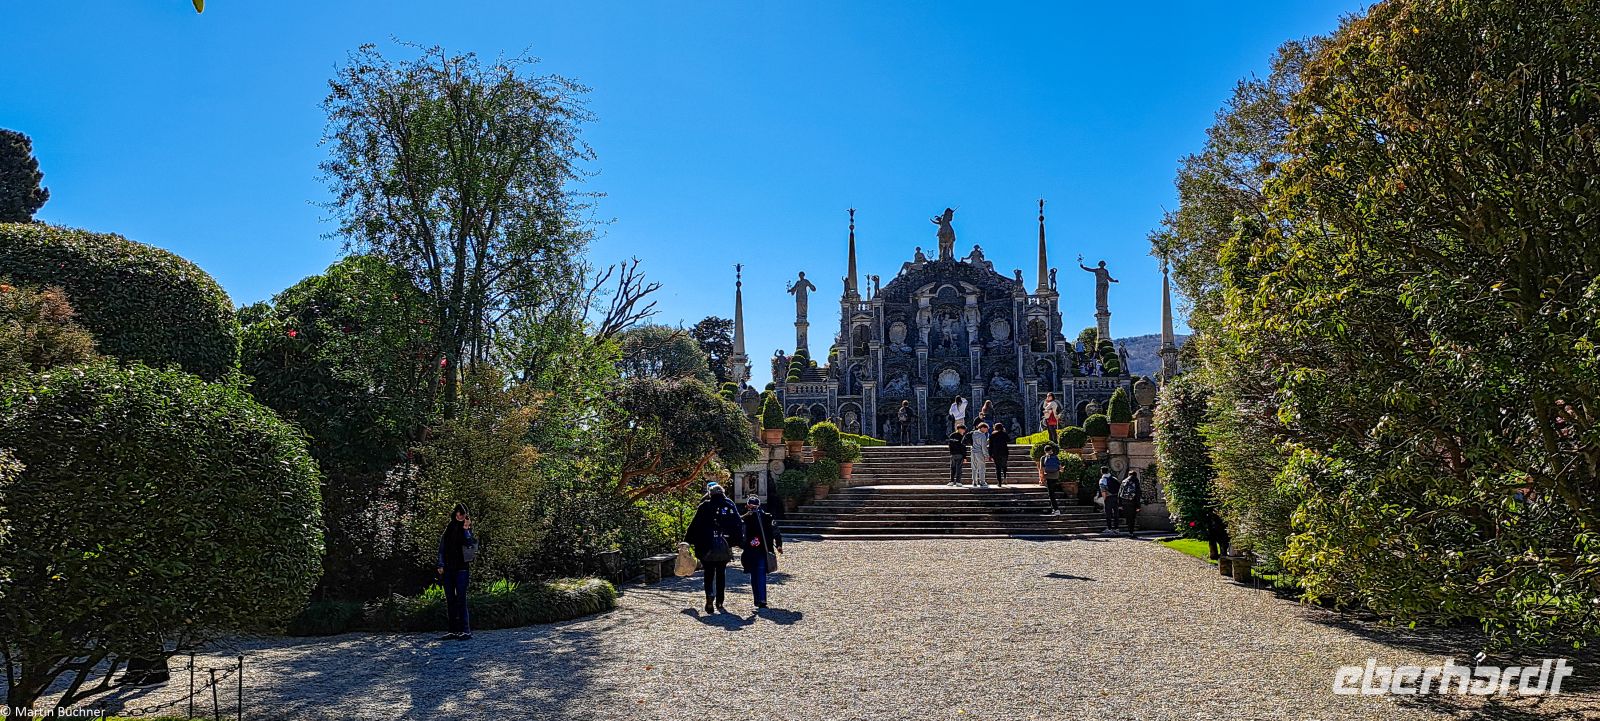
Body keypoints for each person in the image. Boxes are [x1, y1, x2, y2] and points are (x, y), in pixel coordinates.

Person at [685, 482, 746, 613]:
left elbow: (694, 524)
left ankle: (709, 595)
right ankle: (720, 601)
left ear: (710, 494)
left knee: (708, 574)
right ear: (722, 493)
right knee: (721, 574)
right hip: (724, 545)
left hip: (707, 545)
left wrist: (687, 541)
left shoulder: (704, 506)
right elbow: (738, 524)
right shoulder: (729, 505)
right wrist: (739, 542)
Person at [436, 502, 475, 640]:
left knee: (461, 599)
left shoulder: (467, 529)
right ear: (455, 513)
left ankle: (466, 630)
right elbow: (442, 547)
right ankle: (453, 630)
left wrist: (465, 529)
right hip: (448, 568)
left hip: (462, 569)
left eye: (462, 513)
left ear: (465, 515)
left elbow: (470, 545)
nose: (460, 515)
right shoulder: (449, 528)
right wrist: (440, 564)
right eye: (458, 512)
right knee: (450, 600)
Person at [740, 495, 783, 608]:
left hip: (752, 551)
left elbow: (740, 532)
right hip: (764, 549)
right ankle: (761, 599)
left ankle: (759, 599)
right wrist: (779, 545)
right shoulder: (767, 517)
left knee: (755, 575)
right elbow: (776, 532)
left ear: (748, 505)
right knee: (760, 575)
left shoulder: (746, 518)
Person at [1039, 444, 1063, 515]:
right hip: (1056, 476)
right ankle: (1054, 509)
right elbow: (1061, 468)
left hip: (1048, 477)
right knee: (1053, 493)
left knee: (1051, 494)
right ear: (1051, 450)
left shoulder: (1043, 458)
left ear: (1044, 451)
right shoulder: (1056, 457)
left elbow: (1041, 469)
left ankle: (1056, 509)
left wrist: (1042, 478)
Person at [1096, 467, 1120, 532]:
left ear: (1101, 471)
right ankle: (1116, 528)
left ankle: (1109, 528)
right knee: (1116, 513)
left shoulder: (1102, 480)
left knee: (1108, 513)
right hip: (1115, 497)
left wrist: (1104, 499)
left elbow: (1103, 490)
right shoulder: (1114, 478)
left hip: (1108, 497)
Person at [968, 422, 992, 488]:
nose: (987, 431)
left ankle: (974, 482)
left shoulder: (973, 433)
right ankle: (982, 482)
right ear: (982, 428)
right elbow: (984, 447)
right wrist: (986, 456)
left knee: (974, 468)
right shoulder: (982, 435)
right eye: (986, 429)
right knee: (982, 468)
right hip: (979, 453)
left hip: (973, 451)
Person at [1119, 470, 1143, 535]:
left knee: (1128, 517)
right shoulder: (1135, 481)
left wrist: (1120, 504)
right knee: (1132, 517)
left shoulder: (1124, 481)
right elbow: (1137, 494)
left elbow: (1119, 493)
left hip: (1124, 501)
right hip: (1132, 502)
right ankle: (1131, 532)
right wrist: (1138, 506)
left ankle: (1129, 530)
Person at [988, 422, 1011, 487]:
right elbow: (1009, 440)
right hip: (1004, 452)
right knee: (1004, 465)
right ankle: (1005, 476)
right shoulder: (1004, 434)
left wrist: (990, 455)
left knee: (997, 468)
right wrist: (1004, 432)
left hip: (996, 453)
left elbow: (990, 446)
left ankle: (999, 482)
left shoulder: (992, 435)